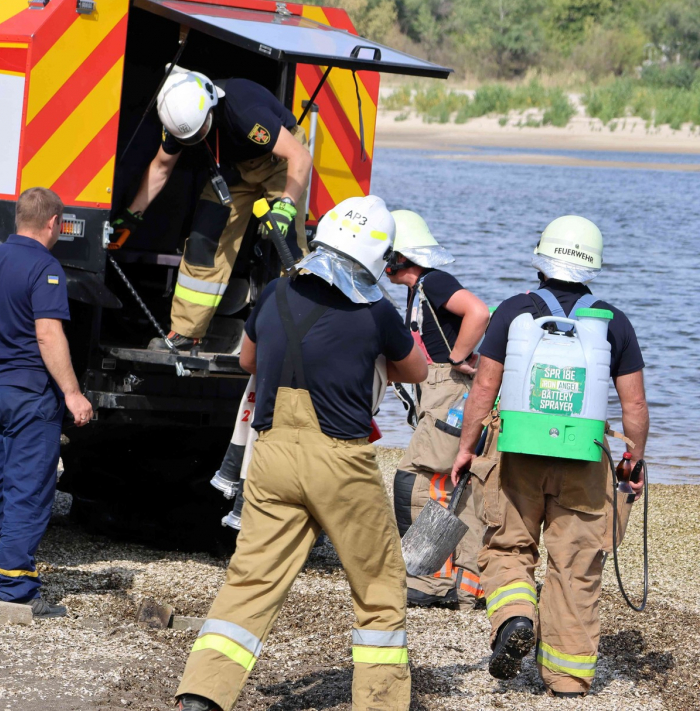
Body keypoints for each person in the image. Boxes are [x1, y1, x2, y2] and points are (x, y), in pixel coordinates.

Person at [174, 195, 428, 711]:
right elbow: (418, 371)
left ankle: (202, 693)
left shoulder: (274, 292)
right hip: (340, 459)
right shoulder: (376, 310)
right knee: (379, 583)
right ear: (379, 257)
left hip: (271, 456)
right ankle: (379, 703)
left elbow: (248, 359)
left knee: (252, 579)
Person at [450, 215, 648, 697]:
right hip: (584, 455)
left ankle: (516, 617)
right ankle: (567, 677)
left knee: (507, 546)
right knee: (576, 561)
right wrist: (633, 460)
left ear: (541, 256)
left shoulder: (515, 312)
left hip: (518, 451)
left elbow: (484, 386)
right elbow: (635, 405)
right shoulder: (613, 321)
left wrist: (465, 447)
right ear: (593, 265)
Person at [108, 68, 314, 351]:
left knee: (286, 242)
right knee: (204, 240)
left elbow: (299, 156)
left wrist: (287, 205)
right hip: (233, 168)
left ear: (211, 108)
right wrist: (132, 215)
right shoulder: (179, 117)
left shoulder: (245, 110)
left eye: (200, 131)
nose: (196, 138)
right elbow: (160, 167)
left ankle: (298, 334)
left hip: (279, 162)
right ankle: (185, 332)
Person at [0, 187, 94, 618]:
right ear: (53, 222)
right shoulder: (45, 268)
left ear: (19, 218)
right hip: (30, 397)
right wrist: (73, 393)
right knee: (28, 489)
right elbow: (48, 334)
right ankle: (15, 589)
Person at [384, 210, 490, 610]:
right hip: (439, 392)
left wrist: (460, 355)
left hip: (450, 392)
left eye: (385, 256)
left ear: (400, 257)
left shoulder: (436, 281)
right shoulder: (420, 290)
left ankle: (424, 579)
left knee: (416, 478)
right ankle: (461, 585)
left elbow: (479, 312)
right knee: (456, 486)